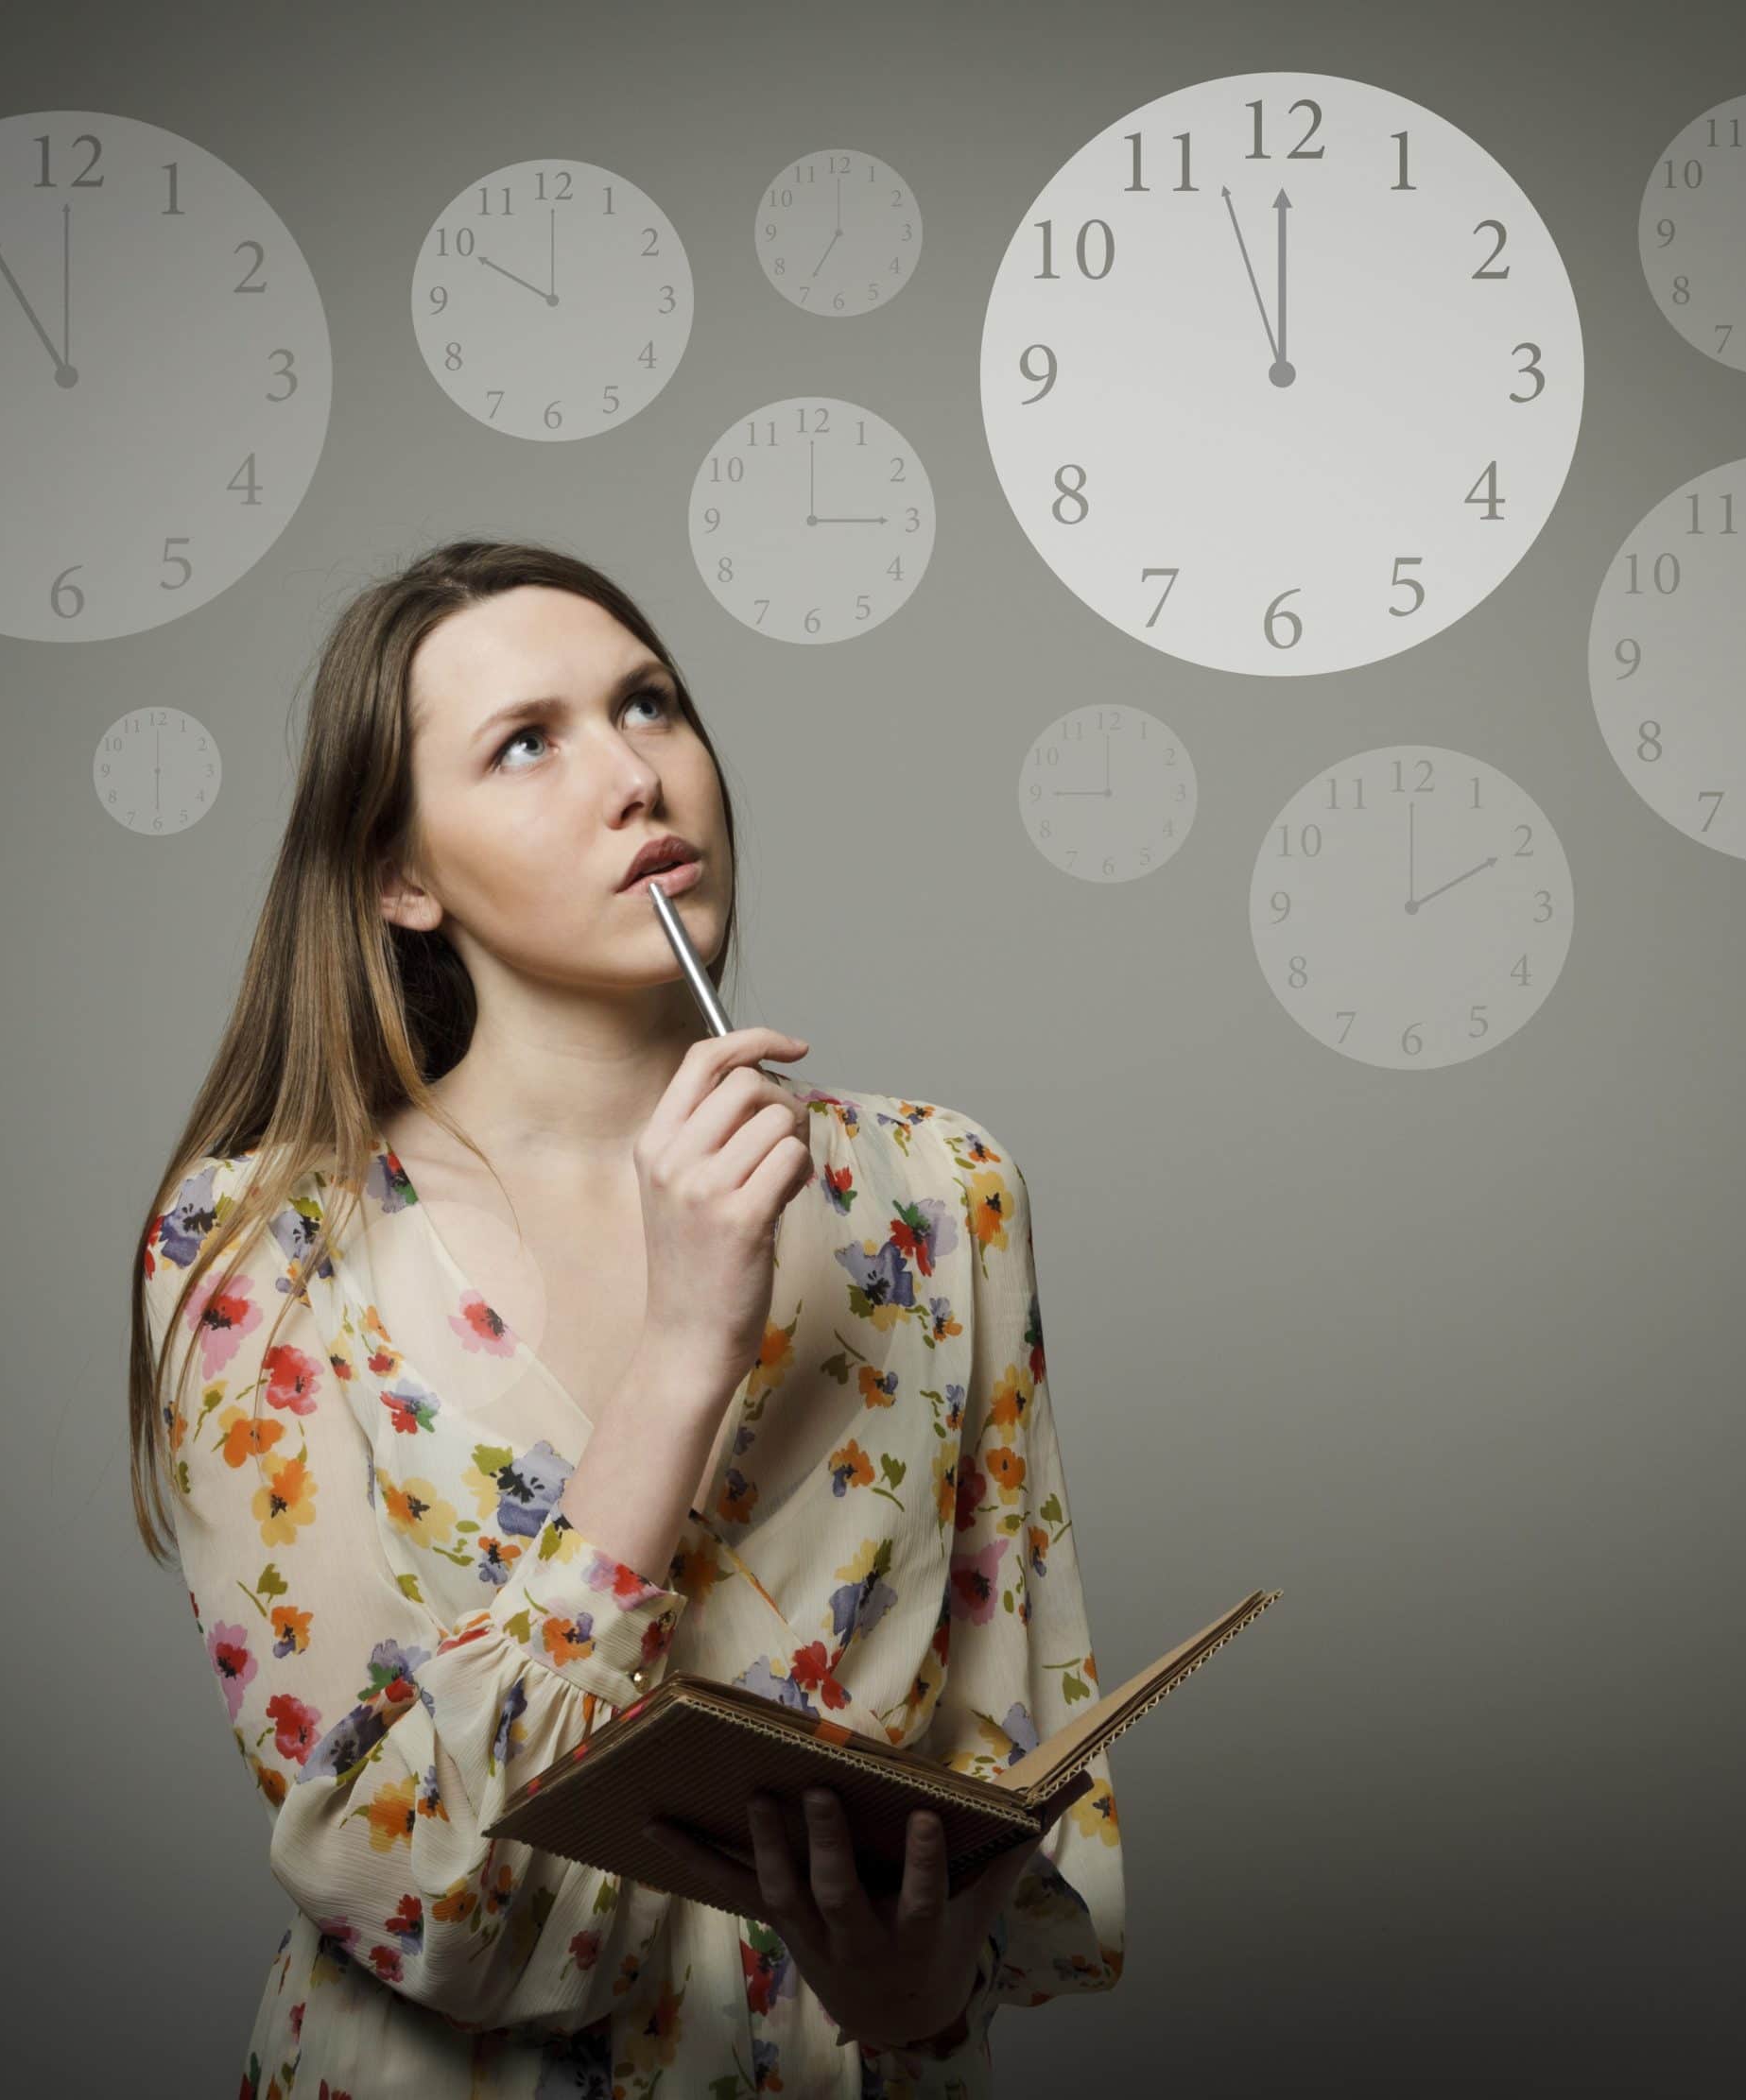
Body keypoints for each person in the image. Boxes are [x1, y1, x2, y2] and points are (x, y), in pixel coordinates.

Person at [127, 539, 1126, 2096]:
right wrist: (684, 1352)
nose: (634, 777)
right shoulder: (265, 1245)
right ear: (402, 874)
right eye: (527, 741)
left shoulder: (942, 1194)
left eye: (650, 705)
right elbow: (402, 1887)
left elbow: (1012, 1768)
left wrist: (926, 1982)